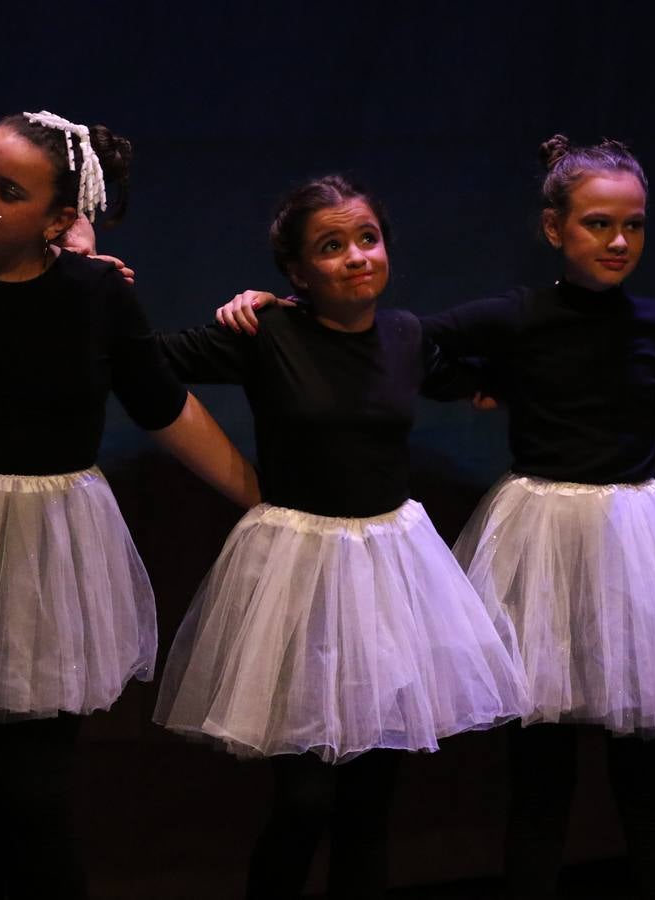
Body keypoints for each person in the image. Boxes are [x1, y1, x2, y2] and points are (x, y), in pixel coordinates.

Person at [215, 136, 655, 900]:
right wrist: (288, 310)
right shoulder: (518, 315)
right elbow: (402, 342)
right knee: (540, 777)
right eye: (597, 223)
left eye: (634, 225)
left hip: (638, 547)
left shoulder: (652, 321)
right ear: (556, 228)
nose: (618, 240)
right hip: (545, 543)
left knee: (651, 782)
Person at [0, 110, 258, 899]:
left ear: (61, 218)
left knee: (32, 800)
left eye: (7, 189)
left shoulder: (96, 294)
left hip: (40, 562)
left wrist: (259, 497)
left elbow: (161, 405)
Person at [151, 174, 529, 899]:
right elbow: (152, 363)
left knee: (367, 808)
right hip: (297, 575)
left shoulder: (406, 336)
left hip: (387, 574)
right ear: (297, 273)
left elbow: (472, 378)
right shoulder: (270, 334)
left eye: (367, 239)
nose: (358, 257)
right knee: (305, 803)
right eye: (332, 247)